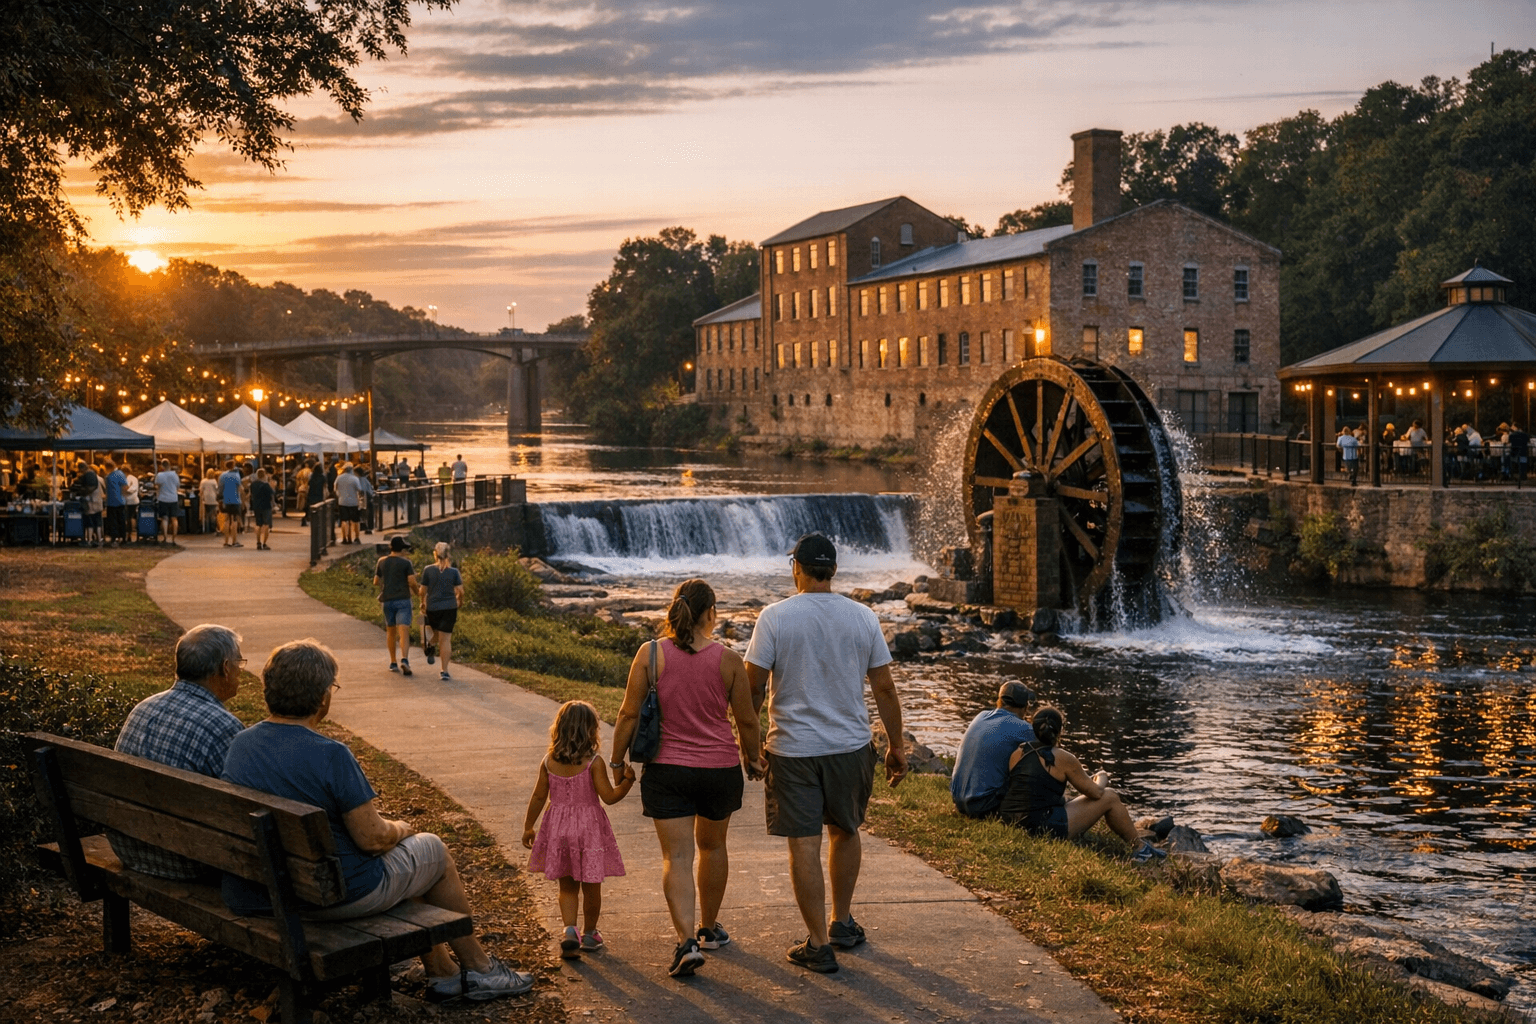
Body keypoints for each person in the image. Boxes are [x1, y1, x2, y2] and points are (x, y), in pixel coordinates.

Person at [221, 638, 534, 1001]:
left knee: (410, 866)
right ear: (322, 698)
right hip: (328, 897)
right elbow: (372, 839)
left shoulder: (241, 744)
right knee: (431, 851)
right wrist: (402, 829)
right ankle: (480, 970)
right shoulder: (331, 755)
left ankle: (443, 972)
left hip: (259, 890)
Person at [744, 533, 906, 975]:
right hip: (850, 746)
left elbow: (752, 687)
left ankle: (818, 943)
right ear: (833, 570)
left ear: (795, 567)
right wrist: (896, 745)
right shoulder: (863, 617)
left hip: (792, 749)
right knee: (846, 829)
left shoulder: (775, 618)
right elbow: (885, 688)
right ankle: (841, 921)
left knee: (804, 844)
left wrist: (747, 742)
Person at [611, 579, 763, 978]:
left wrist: (615, 761)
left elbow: (628, 714)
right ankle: (709, 929)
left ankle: (685, 942)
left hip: (667, 771)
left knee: (676, 857)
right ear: (710, 613)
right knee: (712, 848)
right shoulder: (729, 659)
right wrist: (754, 759)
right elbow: (747, 719)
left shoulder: (651, 655)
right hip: (718, 770)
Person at [110, 624, 246, 878]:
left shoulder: (143, 708)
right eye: (240, 662)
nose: (241, 670)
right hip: (187, 860)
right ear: (225, 668)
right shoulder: (223, 726)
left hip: (129, 847)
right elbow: (243, 809)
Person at [523, 700, 633, 960]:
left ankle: (570, 930)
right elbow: (609, 796)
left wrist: (529, 825)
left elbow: (539, 796)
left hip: (559, 829)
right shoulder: (594, 763)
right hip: (589, 831)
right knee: (592, 886)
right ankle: (590, 933)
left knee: (568, 886)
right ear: (592, 731)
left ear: (558, 728)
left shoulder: (549, 762)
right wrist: (627, 782)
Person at [997, 706, 1166, 863]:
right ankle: (1140, 848)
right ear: (1059, 731)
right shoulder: (1062, 757)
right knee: (1110, 796)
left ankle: (1141, 847)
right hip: (1040, 827)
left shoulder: (1018, 752)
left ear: (1033, 727)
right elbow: (1096, 793)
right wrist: (1101, 777)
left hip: (1010, 821)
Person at [950, 681, 1036, 819]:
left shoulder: (981, 716)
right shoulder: (1025, 728)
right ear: (1025, 707)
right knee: (1034, 757)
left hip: (958, 801)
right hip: (983, 805)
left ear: (999, 701)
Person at [374, 535, 418, 675]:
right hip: (403, 599)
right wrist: (417, 593)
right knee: (404, 630)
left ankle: (393, 662)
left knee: (391, 631)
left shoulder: (381, 561)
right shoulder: (406, 563)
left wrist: (385, 586)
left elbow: (375, 581)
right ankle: (404, 660)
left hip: (387, 600)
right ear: (402, 549)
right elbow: (411, 581)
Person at [419, 542, 463, 681]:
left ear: (434, 554)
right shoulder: (454, 572)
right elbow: (460, 591)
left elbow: (422, 590)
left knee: (440, 633)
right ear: (449, 554)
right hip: (450, 608)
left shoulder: (428, 570)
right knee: (445, 638)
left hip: (433, 608)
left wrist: (422, 602)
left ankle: (430, 645)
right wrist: (459, 601)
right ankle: (444, 671)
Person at [333, 463, 363, 544]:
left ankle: (345, 538)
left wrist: (339, 495)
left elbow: (335, 488)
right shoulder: (355, 479)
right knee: (355, 520)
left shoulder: (339, 478)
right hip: (353, 502)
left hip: (342, 501)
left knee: (344, 520)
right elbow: (359, 489)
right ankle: (356, 537)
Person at [154, 460, 182, 543]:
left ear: (162, 466)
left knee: (164, 518)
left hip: (163, 498)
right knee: (174, 518)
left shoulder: (160, 475)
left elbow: (157, 486)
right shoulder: (175, 475)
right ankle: (174, 538)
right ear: (170, 465)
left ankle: (165, 537)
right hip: (173, 498)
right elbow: (178, 486)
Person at [217, 459, 244, 547]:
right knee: (234, 520)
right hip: (235, 500)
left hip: (226, 500)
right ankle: (235, 541)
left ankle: (226, 541)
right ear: (233, 465)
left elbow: (220, 489)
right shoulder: (236, 475)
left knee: (226, 520)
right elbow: (240, 488)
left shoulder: (222, 476)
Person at [249, 468, 275, 549]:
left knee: (258, 524)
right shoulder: (266, 485)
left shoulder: (253, 484)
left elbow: (251, 494)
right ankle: (264, 543)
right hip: (266, 506)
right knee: (266, 525)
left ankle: (258, 542)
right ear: (264, 475)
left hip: (256, 506)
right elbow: (272, 493)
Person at [104, 459, 127, 547]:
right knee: (121, 520)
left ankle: (114, 538)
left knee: (113, 521)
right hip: (120, 500)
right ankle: (123, 537)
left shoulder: (109, 476)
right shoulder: (121, 474)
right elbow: (125, 486)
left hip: (111, 501)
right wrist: (123, 495)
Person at [122, 461, 140, 541]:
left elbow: (127, 490)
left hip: (127, 501)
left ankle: (127, 534)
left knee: (127, 518)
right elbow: (132, 489)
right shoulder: (134, 478)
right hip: (134, 501)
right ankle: (131, 534)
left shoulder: (125, 479)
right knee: (132, 517)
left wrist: (125, 489)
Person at [200, 469, 219, 534]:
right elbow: (217, 490)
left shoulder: (203, 481)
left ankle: (206, 529)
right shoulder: (214, 481)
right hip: (213, 499)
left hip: (206, 499)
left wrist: (201, 498)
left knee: (207, 515)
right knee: (213, 515)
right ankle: (213, 529)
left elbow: (201, 490)